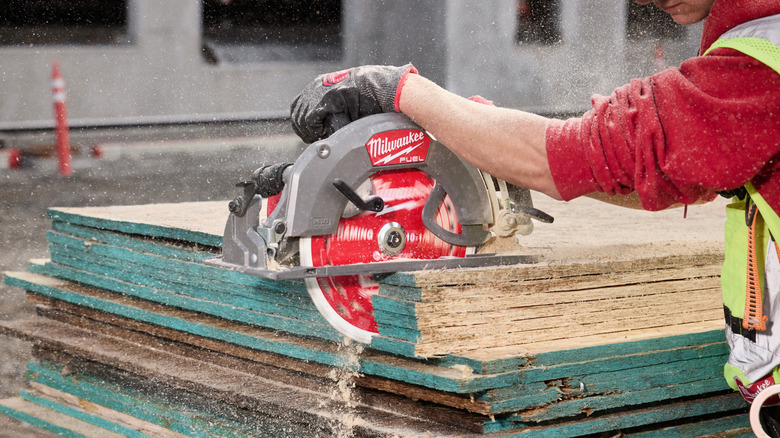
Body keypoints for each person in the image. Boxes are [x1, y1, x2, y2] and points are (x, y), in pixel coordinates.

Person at [291, 0, 780, 434]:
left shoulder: (759, 64)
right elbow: (676, 172)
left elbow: (573, 156)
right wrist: (490, 143)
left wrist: (399, 89)